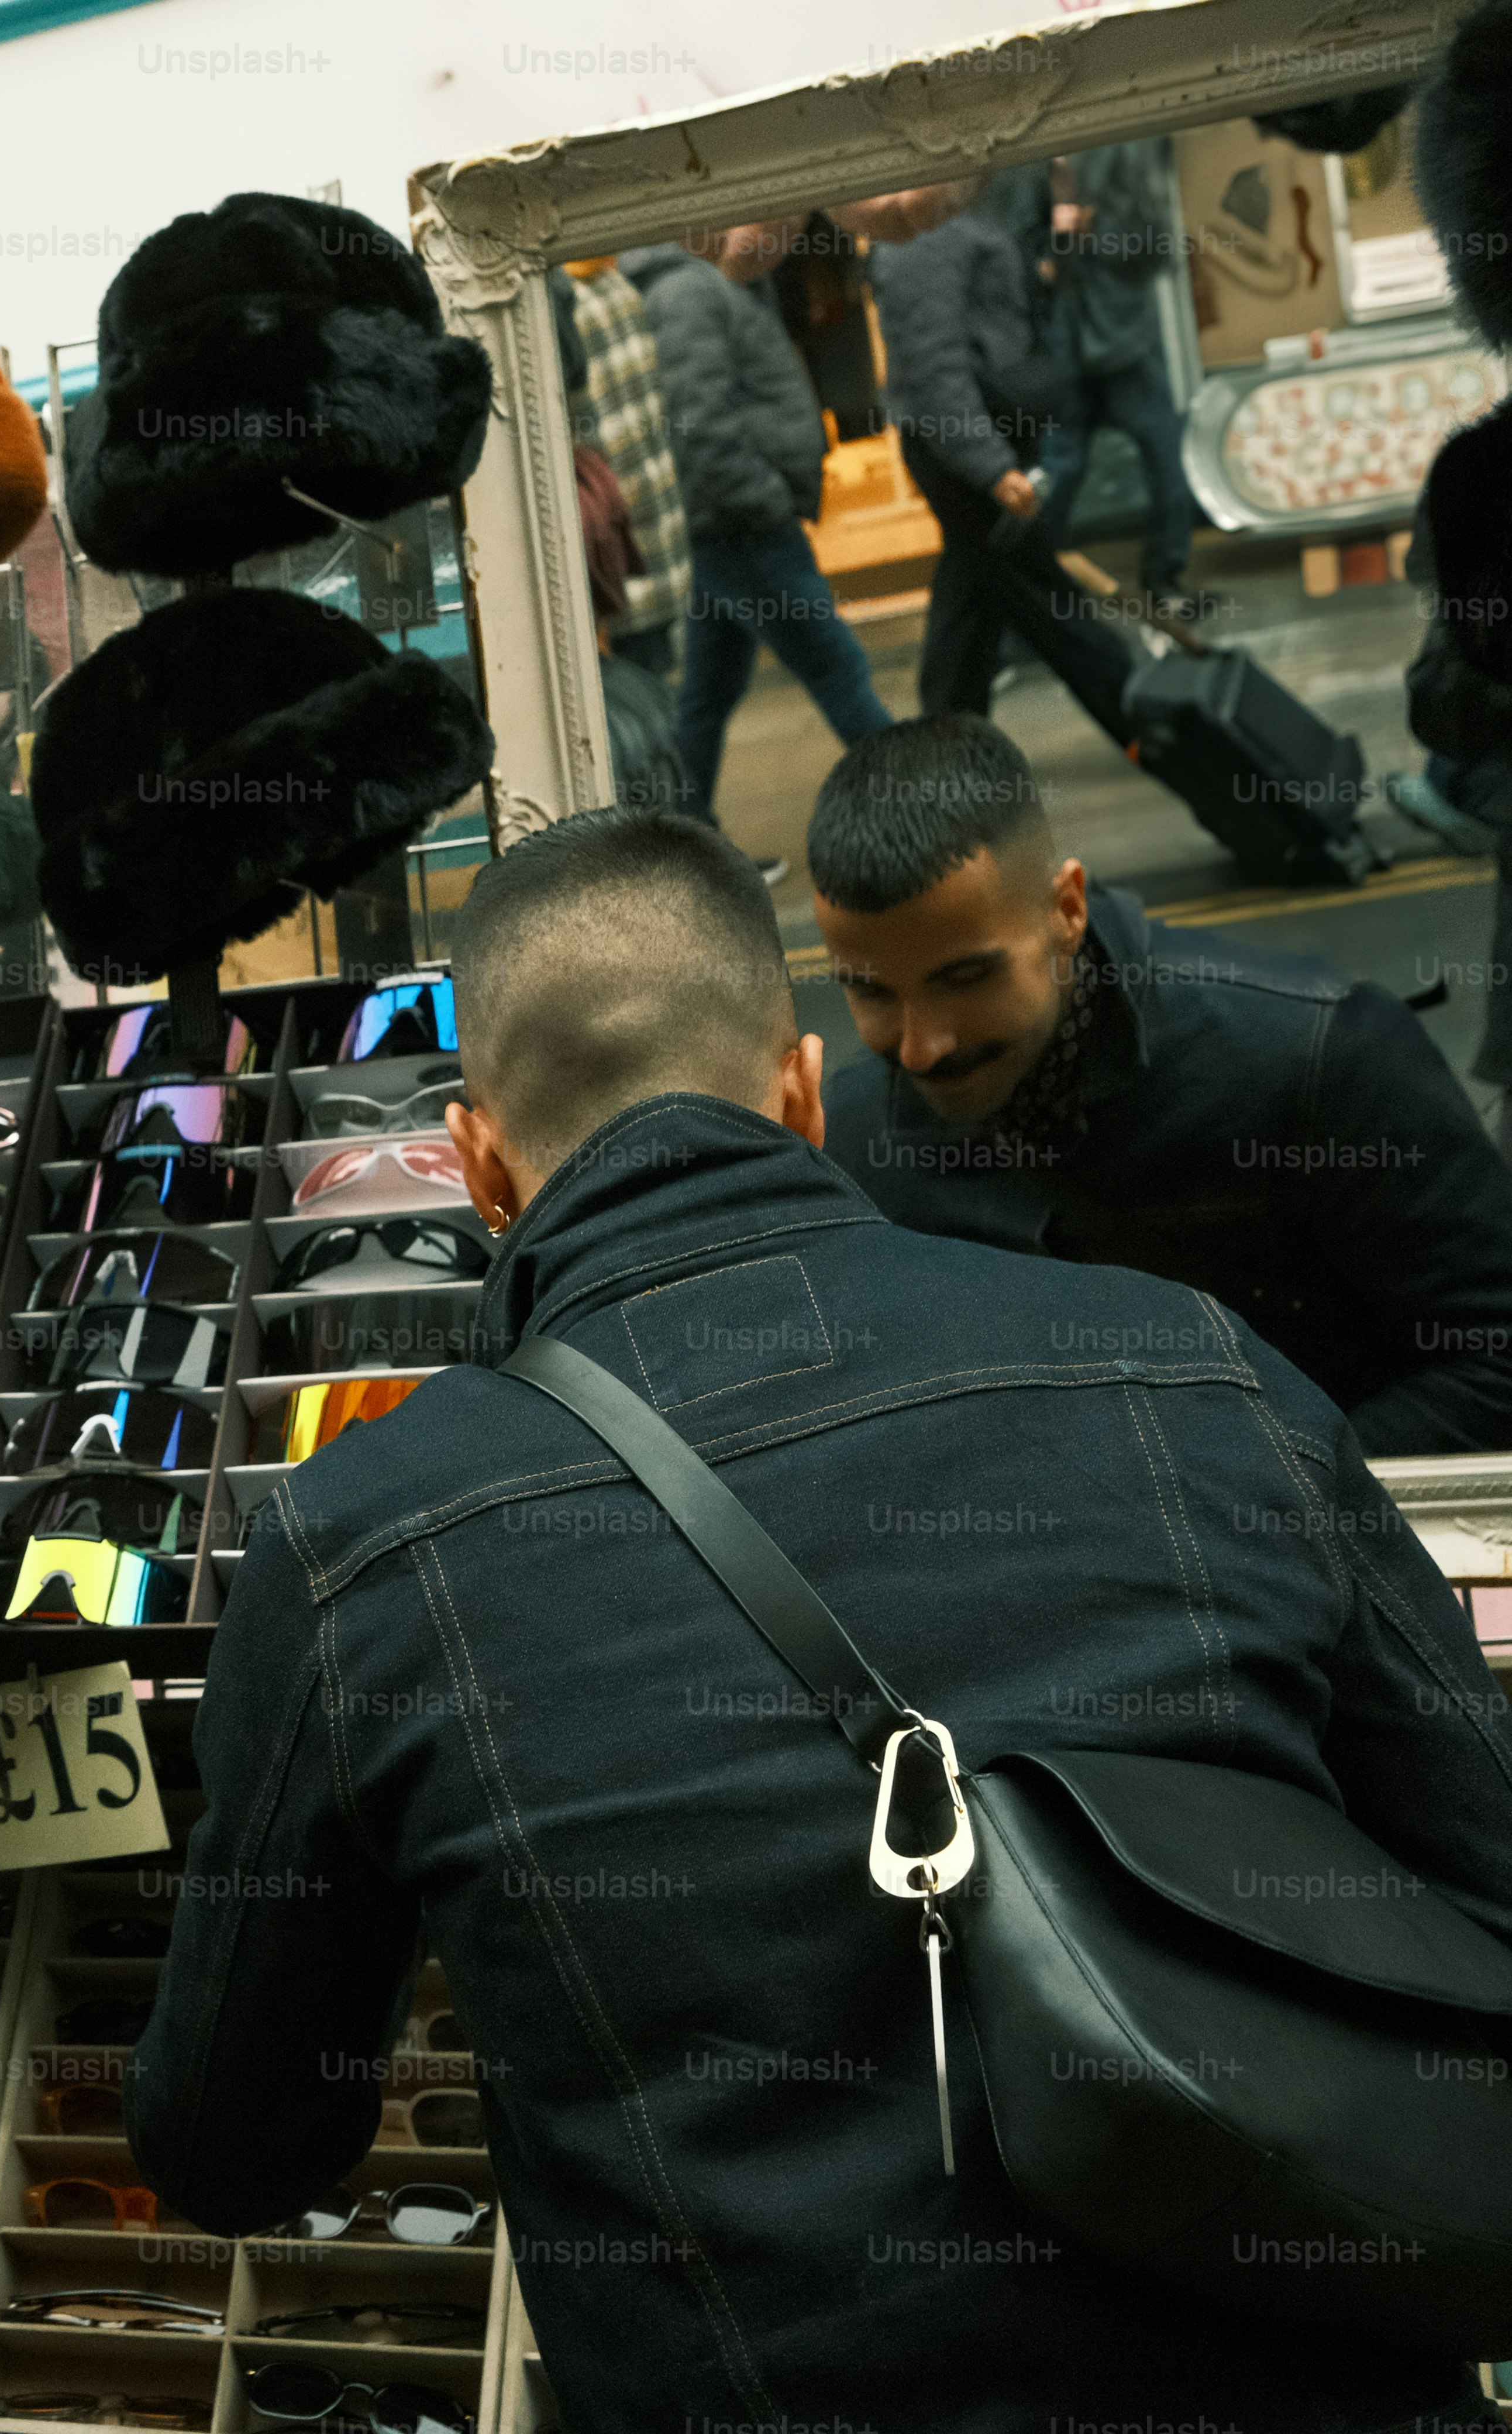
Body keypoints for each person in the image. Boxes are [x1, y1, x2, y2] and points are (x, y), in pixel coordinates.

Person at [124, 803, 1512, 2433]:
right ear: (799, 1089)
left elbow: (233, 2149)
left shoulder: (358, 1548)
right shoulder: (1199, 1368)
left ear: (478, 1162)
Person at [810, 713, 1512, 1453]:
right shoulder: (845, 1146)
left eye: (966, 978)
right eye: (870, 991)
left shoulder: (1321, 1060)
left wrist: (1270, 1492)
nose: (921, 1047)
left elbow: (1495, 1359)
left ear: (1067, 909)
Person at [620, 225, 894, 868]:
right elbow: (700, 429)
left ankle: (682, 851)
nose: (775, 235)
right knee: (836, 667)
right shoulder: (687, 293)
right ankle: (934, 821)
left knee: (709, 691)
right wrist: (763, 498)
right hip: (741, 527)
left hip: (730, 524)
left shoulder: (703, 286)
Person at [867, 181, 1147, 738]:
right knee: (1043, 600)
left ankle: (950, 753)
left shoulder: (960, 217)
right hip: (965, 450)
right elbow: (935, 368)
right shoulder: (923, 234)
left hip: (981, 439)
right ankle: (1149, 723)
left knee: (972, 603)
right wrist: (992, 468)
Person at [1022, 140, 1208, 617]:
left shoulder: (1119, 151)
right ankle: (1026, 587)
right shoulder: (1023, 171)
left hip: (1121, 342)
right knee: (1060, 472)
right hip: (1061, 349)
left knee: (1169, 459)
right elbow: (1011, 258)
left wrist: (1093, 234)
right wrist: (1052, 246)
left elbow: (1153, 245)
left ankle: (1164, 582)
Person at [562, 254, 693, 682]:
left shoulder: (562, 304)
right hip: (657, 534)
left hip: (613, 547)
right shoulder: (617, 286)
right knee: (658, 689)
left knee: (630, 697)